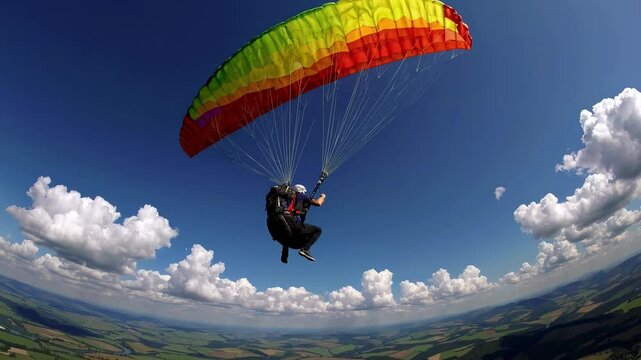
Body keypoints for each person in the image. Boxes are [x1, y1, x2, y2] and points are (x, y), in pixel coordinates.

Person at [265, 184, 326, 263]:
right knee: (318, 230)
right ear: (302, 191)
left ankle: (284, 254)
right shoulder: (301, 196)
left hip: (280, 223)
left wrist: (304, 208)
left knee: (287, 231)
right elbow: (318, 203)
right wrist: (323, 196)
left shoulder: (286, 197)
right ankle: (305, 249)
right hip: (293, 223)